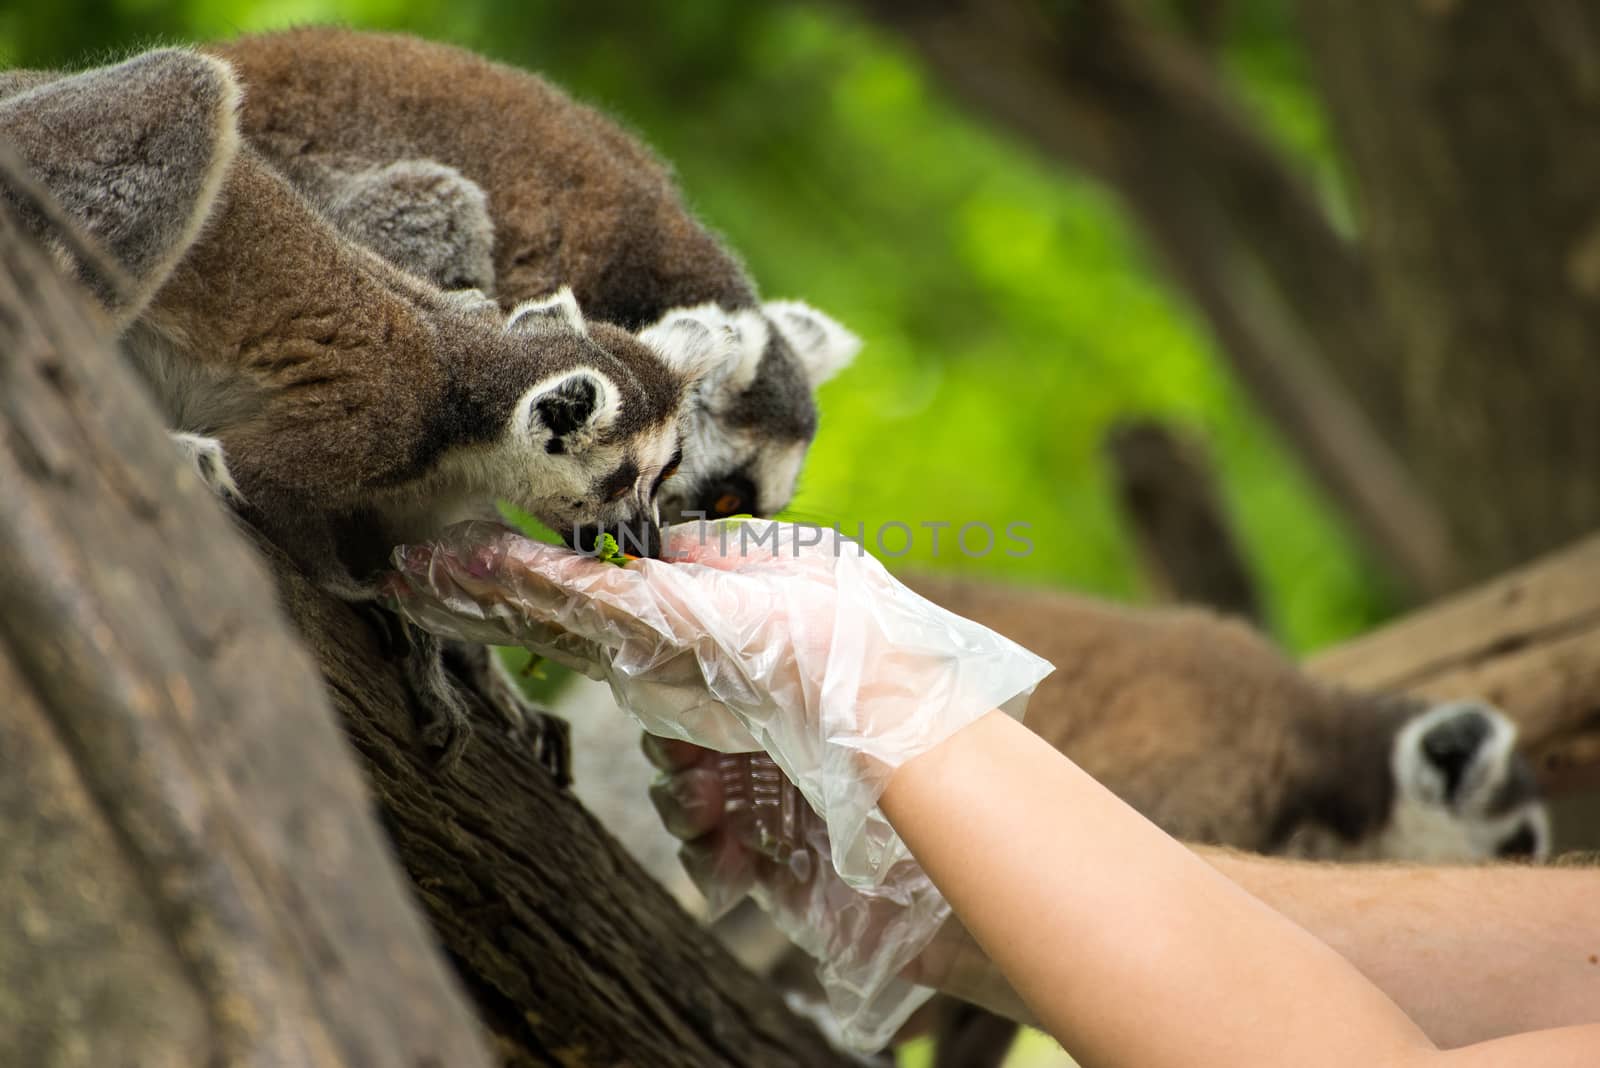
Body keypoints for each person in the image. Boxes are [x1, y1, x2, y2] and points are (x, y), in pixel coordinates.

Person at [390, 519, 1600, 1066]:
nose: (1515, 865)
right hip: (753, 705)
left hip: (790, 701)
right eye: (1510, 840)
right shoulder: (1235, 754)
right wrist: (869, 711)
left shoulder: (1249, 747)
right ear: (1435, 767)